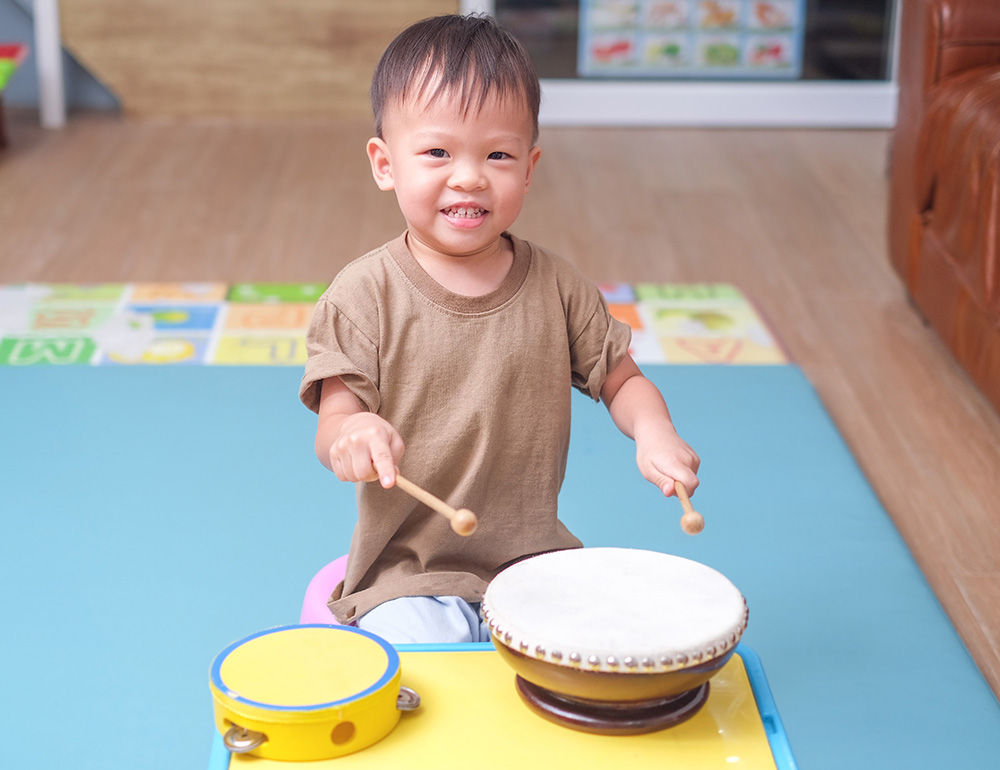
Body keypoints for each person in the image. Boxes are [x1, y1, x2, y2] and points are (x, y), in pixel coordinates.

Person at [299, 13, 700, 643]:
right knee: (428, 661)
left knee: (609, 650)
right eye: (437, 152)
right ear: (385, 163)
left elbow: (624, 383)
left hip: (535, 567)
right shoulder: (362, 295)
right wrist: (352, 435)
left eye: (498, 154)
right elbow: (333, 428)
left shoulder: (559, 287)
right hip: (412, 574)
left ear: (529, 166)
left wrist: (655, 434)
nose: (469, 176)